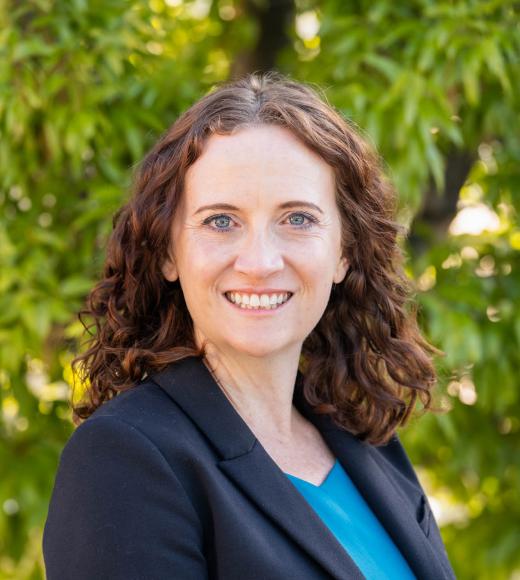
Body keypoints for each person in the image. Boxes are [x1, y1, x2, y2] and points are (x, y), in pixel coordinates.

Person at [42, 72, 456, 580]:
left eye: (298, 219)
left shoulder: (367, 444)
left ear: (344, 252)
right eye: (221, 220)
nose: (260, 261)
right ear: (169, 250)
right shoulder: (122, 462)